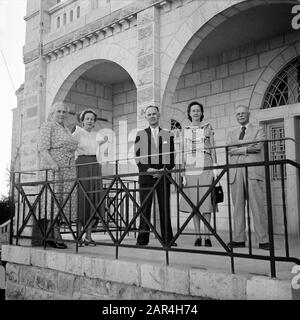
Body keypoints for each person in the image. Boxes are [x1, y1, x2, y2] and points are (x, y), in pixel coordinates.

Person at [226, 105, 269, 250]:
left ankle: (263, 240)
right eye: (238, 114)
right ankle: (239, 239)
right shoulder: (231, 133)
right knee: (237, 207)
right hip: (236, 172)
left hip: (253, 171)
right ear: (235, 116)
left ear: (248, 114)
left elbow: (258, 146)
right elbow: (229, 150)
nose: (241, 116)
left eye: (243, 113)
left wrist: (239, 148)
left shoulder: (259, 129)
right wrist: (246, 148)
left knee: (257, 206)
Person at [134, 105, 176, 247]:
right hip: (146, 177)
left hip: (163, 177)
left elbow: (171, 158)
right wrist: (149, 169)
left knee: (165, 209)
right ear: (146, 117)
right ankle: (142, 239)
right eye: (149, 114)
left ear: (159, 115)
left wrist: (163, 170)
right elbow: (138, 157)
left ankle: (168, 239)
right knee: (145, 209)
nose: (152, 116)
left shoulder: (167, 134)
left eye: (154, 114)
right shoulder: (141, 134)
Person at [39, 101, 78, 249]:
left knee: (62, 201)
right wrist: (53, 164)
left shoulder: (66, 129)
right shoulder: (48, 126)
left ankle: (50, 234)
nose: (61, 114)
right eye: (59, 112)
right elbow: (42, 148)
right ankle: (55, 235)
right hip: (55, 169)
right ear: (52, 113)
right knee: (54, 200)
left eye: (64, 112)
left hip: (68, 169)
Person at [180, 101, 218, 247]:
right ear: (189, 113)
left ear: (202, 113)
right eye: (193, 110)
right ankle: (197, 236)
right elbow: (182, 151)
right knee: (194, 203)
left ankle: (207, 236)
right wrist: (182, 171)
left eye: (198, 110)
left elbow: (213, 147)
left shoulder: (208, 127)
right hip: (190, 166)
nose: (195, 113)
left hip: (206, 163)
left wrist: (216, 166)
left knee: (206, 202)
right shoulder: (185, 129)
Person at [72, 109, 107, 246]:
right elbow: (71, 148)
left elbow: (97, 150)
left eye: (92, 119)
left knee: (93, 198)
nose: (89, 121)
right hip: (82, 165)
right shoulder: (77, 133)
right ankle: (78, 236)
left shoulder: (96, 135)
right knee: (83, 198)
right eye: (87, 118)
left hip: (95, 165)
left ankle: (88, 236)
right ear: (82, 120)